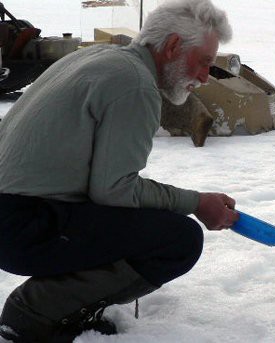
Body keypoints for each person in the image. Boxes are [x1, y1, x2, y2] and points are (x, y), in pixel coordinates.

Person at [0, 0, 238, 341]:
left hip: (16, 215)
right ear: (172, 47)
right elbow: (115, 190)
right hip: (22, 226)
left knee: (136, 222)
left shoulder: (97, 58)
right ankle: (36, 311)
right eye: (203, 63)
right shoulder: (135, 86)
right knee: (178, 239)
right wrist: (197, 203)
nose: (204, 77)